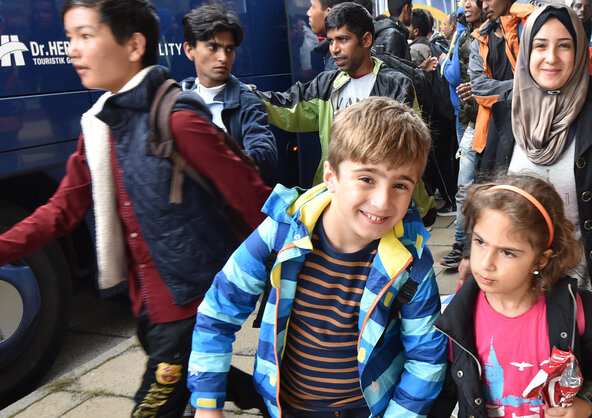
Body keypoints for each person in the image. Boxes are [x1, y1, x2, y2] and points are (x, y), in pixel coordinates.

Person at [0, 0, 273, 415]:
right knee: (192, 371)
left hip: (192, 298)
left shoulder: (177, 118)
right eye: (71, 38)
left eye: (86, 36)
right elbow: (62, 210)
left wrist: (301, 269)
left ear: (134, 45)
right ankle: (270, 399)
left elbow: (253, 198)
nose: (72, 49)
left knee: (153, 402)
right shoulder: (97, 127)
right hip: (147, 301)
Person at [187, 96, 447, 417]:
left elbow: (426, 358)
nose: (382, 202)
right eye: (366, 178)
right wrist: (207, 403)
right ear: (330, 177)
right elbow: (218, 311)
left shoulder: (412, 263)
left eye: (400, 185)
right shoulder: (281, 232)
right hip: (285, 408)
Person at [476, 3, 592, 359]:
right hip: (518, 275)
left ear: (579, 50)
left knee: (583, 375)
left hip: (585, 275)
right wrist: (474, 249)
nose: (551, 57)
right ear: (526, 50)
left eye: (564, 45)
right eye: (541, 45)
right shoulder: (508, 107)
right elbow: (487, 191)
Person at [430, 174, 592, 418]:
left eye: (507, 252)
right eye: (480, 242)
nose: (485, 263)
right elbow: (444, 389)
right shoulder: (456, 317)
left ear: (541, 259)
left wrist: (586, 403)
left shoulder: (580, 310)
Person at [256, 2, 414, 184]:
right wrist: (245, 94)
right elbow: (285, 106)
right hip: (335, 195)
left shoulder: (397, 85)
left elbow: (407, 145)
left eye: (343, 39)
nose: (334, 49)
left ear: (366, 40)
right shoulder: (326, 84)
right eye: (331, 41)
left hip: (382, 198)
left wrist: (359, 122)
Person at [181, 2, 280, 186]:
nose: (223, 58)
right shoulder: (177, 99)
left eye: (230, 49)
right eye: (213, 47)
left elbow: (266, 158)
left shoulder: (247, 101)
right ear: (189, 50)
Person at [439, 0, 486, 269]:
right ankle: (461, 243)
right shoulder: (465, 36)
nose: (465, 4)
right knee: (465, 184)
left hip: (496, 120)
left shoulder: (495, 34)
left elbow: (454, 73)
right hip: (470, 120)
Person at [467, 0, 535, 161]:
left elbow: (540, 82)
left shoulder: (529, 26)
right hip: (491, 130)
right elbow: (478, 87)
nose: (483, 6)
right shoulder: (479, 38)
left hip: (528, 129)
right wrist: (522, 85)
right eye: (481, 1)